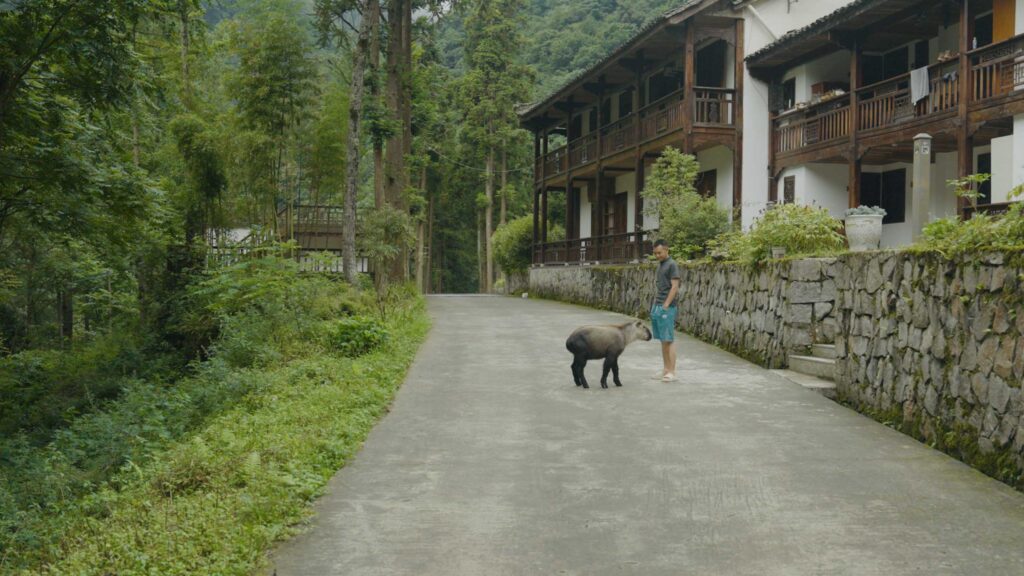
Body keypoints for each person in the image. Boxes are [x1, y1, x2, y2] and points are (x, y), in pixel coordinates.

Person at [650, 239, 680, 382]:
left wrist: (666, 305)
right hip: (658, 304)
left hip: (666, 306)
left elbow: (674, 286)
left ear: (667, 250)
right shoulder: (660, 265)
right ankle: (665, 369)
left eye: (659, 253)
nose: (657, 256)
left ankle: (672, 372)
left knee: (668, 339)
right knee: (663, 339)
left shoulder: (672, 265)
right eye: (655, 253)